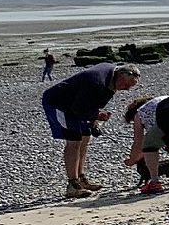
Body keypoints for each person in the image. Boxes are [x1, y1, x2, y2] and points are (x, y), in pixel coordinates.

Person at [41, 63, 142, 198]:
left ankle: (81, 178)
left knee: (85, 138)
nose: (127, 89)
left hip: (78, 103)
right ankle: (73, 185)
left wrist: (94, 120)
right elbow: (78, 109)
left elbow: (95, 103)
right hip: (59, 103)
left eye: (131, 86)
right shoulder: (96, 82)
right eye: (126, 85)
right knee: (74, 141)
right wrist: (96, 115)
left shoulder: (112, 78)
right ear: (119, 75)